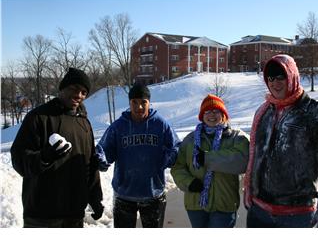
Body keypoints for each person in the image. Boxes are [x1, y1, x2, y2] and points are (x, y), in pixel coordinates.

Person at [244, 54, 318, 228]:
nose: (275, 83)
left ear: (292, 75)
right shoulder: (264, 112)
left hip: (297, 215)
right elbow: (255, 157)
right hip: (259, 212)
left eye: (281, 76)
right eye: (271, 78)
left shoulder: (317, 114)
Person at [11, 67, 104, 228]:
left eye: (83, 92)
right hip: (41, 216)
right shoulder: (39, 117)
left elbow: (89, 166)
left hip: (74, 215)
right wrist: (44, 157)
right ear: (62, 88)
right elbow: (19, 160)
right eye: (74, 88)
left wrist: (95, 198)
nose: (79, 95)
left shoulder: (84, 123)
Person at [95, 83, 180, 228]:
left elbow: (176, 146)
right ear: (129, 103)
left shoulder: (160, 124)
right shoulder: (118, 126)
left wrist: (169, 157)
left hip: (153, 193)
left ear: (149, 103)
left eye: (143, 102)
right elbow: (104, 149)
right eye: (134, 102)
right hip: (124, 194)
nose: (139, 107)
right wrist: (101, 158)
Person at [171, 94, 249, 228]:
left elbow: (242, 161)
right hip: (196, 204)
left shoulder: (236, 137)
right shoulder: (190, 140)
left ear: (223, 114)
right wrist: (189, 183)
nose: (211, 114)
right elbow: (178, 167)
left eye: (216, 111)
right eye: (207, 111)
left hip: (224, 204)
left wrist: (207, 158)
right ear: (202, 116)